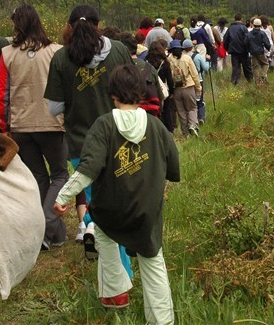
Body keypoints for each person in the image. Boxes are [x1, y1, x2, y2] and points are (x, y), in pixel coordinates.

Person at [53, 63, 179, 323]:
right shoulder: (157, 128)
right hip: (147, 214)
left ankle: (115, 293)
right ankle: (162, 319)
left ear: (112, 94)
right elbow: (173, 167)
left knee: (103, 232)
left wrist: (62, 196)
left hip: (111, 212)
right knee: (153, 261)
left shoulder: (103, 125)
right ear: (142, 94)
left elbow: (87, 170)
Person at [44, 5, 134, 271]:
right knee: (122, 197)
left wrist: (78, 99)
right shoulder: (118, 50)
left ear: (69, 27)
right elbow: (131, 91)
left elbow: (54, 108)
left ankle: (117, 269)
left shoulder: (61, 58)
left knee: (99, 202)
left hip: (82, 145)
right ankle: (127, 255)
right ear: (99, 24)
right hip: (121, 137)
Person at [0, 4, 67, 249]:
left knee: (38, 177)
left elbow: (1, 94)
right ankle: (47, 224)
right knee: (60, 174)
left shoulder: (7, 54)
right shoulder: (57, 52)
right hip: (52, 124)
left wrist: (5, 126)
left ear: (17, 26)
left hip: (21, 126)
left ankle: (51, 235)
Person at [166, 39, 201, 137]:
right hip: (188, 86)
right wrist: (198, 87)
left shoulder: (168, 60)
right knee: (192, 108)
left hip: (176, 88)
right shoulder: (187, 58)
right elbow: (194, 74)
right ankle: (192, 125)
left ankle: (185, 133)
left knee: (181, 111)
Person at [146, 40, 176, 134]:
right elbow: (170, 79)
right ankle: (169, 131)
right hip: (163, 90)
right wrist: (172, 92)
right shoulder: (165, 63)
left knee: (154, 111)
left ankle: (155, 130)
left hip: (151, 90)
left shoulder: (146, 62)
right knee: (166, 111)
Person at [183, 38, 209, 124]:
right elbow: (205, 68)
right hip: (198, 79)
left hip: (187, 82)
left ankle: (191, 120)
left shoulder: (182, 57)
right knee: (200, 99)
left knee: (191, 101)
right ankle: (201, 117)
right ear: (191, 47)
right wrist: (208, 61)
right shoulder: (197, 56)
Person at [222, 13, 252, 85]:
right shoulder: (244, 28)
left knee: (235, 68)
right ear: (241, 19)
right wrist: (248, 49)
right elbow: (247, 39)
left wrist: (227, 48)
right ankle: (251, 82)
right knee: (247, 68)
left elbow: (225, 39)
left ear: (234, 19)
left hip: (234, 51)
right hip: (243, 51)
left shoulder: (230, 28)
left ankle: (234, 83)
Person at [247, 18, 271, 85]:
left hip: (252, 53)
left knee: (255, 67)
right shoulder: (262, 33)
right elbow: (267, 43)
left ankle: (258, 82)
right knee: (265, 64)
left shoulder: (249, 34)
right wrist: (268, 49)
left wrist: (249, 50)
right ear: (260, 25)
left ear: (253, 25)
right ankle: (263, 75)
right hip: (260, 52)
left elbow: (245, 43)